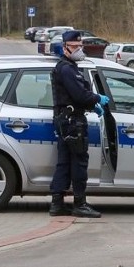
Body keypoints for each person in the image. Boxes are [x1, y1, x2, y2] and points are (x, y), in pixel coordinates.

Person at [49, 30, 110, 218]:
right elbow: (80, 95)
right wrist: (96, 98)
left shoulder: (68, 67)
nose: (79, 49)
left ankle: (57, 204)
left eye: (80, 46)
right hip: (73, 123)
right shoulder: (67, 69)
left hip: (66, 121)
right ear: (65, 47)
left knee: (64, 163)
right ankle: (79, 203)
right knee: (79, 163)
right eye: (75, 47)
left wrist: (92, 104)